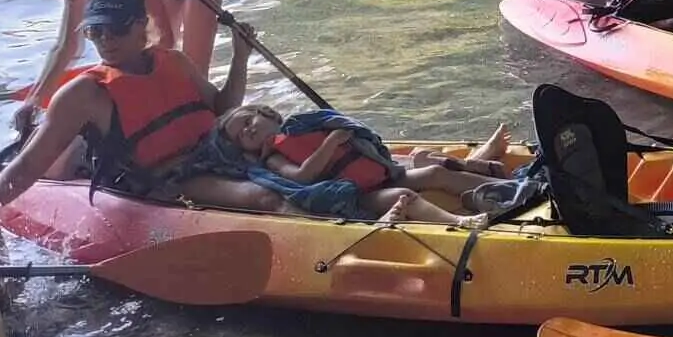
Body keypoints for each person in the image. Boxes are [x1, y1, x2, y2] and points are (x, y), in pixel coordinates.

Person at [0, 0, 278, 214]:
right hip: (164, 180)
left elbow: (224, 111)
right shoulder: (84, 93)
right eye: (96, 31)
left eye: (117, 29)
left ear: (141, 25)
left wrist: (241, 57)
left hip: (218, 157)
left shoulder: (175, 61)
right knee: (263, 197)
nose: (106, 40)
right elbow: (30, 165)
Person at [19, 0, 225, 129]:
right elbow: (67, 45)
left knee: (194, 70)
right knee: (148, 60)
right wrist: (34, 100)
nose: (74, 1)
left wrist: (126, 75)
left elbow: (164, 37)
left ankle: (207, 127)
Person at [214, 105, 506, 227]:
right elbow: (303, 176)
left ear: (266, 113)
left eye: (248, 122)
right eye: (241, 136)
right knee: (400, 196)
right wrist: (330, 144)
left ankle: (509, 189)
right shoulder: (275, 159)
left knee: (434, 172)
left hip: (382, 173)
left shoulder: (305, 126)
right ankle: (457, 222)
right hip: (358, 193)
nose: (247, 131)